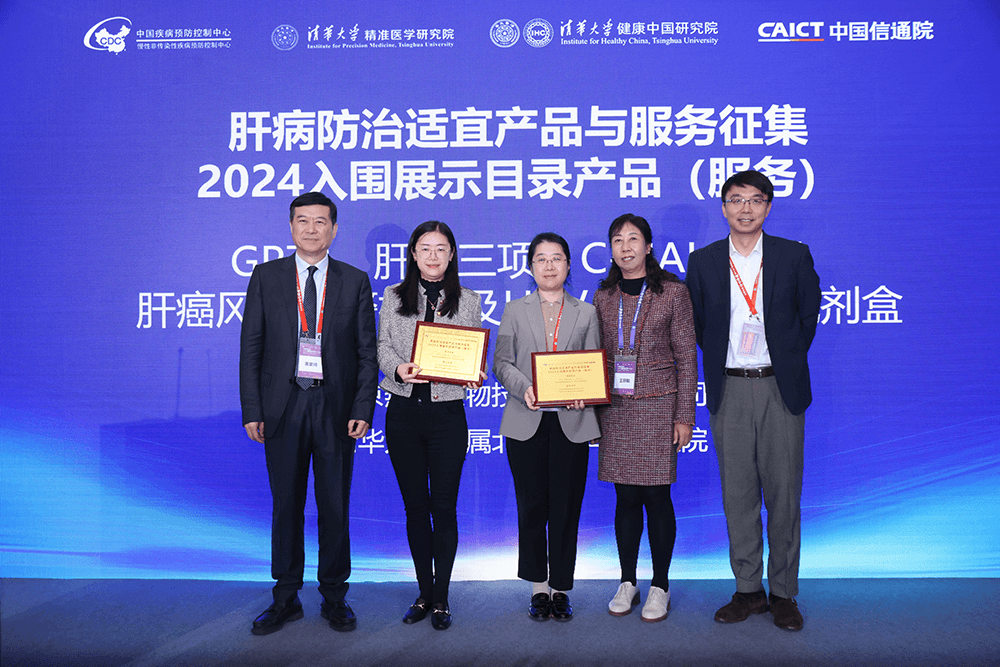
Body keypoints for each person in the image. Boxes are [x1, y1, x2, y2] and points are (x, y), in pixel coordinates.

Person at [685, 170, 821, 632]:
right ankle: (748, 590)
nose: (746, 208)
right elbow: (700, 325)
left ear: (768, 207)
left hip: (780, 387)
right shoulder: (703, 261)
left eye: (756, 200)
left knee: (784, 495)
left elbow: (808, 316)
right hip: (730, 388)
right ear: (723, 207)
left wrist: (783, 358)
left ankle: (783, 592)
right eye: (736, 200)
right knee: (737, 494)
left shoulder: (792, 255)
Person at [239, 191, 378, 635]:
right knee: (286, 505)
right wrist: (252, 408)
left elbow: (367, 353)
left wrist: (363, 407)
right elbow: (251, 347)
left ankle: (335, 595)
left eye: (321, 221)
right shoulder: (267, 276)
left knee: (335, 504)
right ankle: (285, 597)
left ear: (334, 229)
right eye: (303, 220)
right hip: (282, 406)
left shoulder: (354, 280)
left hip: (335, 408)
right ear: (291, 226)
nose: (311, 229)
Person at [377, 221, 484, 631]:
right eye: (425, 248)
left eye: (441, 248)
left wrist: (474, 372)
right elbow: (382, 345)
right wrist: (397, 368)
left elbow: (473, 349)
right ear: (413, 254)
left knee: (444, 507)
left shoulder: (468, 299)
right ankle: (423, 591)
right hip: (403, 412)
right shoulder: (393, 296)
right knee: (416, 508)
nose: (433, 256)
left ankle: (441, 597)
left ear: (452, 254)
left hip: (447, 415)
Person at [593, 214, 697, 623]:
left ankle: (660, 585)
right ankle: (627, 581)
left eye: (633, 239)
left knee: (657, 497)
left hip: (658, 407)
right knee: (625, 499)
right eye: (617, 240)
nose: (625, 247)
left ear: (648, 246)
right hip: (615, 409)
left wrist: (684, 415)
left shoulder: (672, 292)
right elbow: (595, 356)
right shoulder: (604, 295)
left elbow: (686, 356)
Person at [493, 232, 601, 623]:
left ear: (568, 265)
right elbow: (501, 362)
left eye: (557, 258)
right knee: (532, 506)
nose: (549, 265)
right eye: (541, 259)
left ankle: (561, 588)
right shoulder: (513, 310)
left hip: (572, 422)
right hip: (527, 420)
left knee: (566, 508)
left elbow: (595, 364)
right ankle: (539, 587)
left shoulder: (586, 312)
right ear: (530, 267)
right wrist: (525, 388)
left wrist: (585, 393)